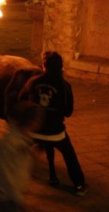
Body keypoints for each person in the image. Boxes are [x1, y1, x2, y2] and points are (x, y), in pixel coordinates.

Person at [20, 51, 87, 196]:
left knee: (18, 150)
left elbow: (21, 99)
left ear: (44, 66)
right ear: (61, 67)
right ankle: (79, 185)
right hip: (55, 133)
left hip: (34, 131)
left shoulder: (33, 82)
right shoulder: (65, 86)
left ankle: (14, 180)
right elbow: (68, 112)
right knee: (70, 156)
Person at [0, 101, 43, 212]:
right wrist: (18, 202)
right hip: (2, 203)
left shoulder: (9, 140)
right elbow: (11, 178)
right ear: (33, 122)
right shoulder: (18, 146)